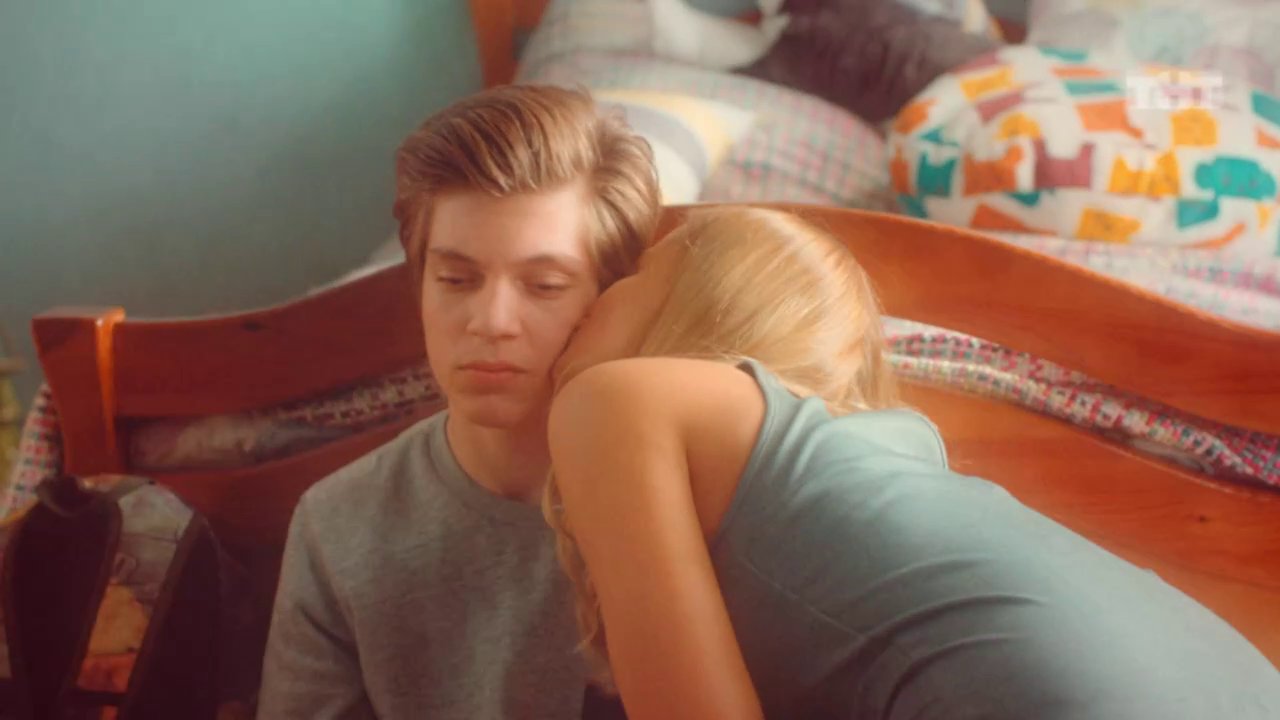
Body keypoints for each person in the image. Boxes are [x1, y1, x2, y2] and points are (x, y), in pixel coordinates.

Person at [542, 206, 1280, 720]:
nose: (587, 302)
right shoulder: (882, 458)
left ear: (696, 303)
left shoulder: (618, 400)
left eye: (631, 273)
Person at [256, 84, 660, 718]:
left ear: (611, 301)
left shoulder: (686, 507)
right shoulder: (337, 526)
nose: (491, 321)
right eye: (456, 279)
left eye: (544, 285)